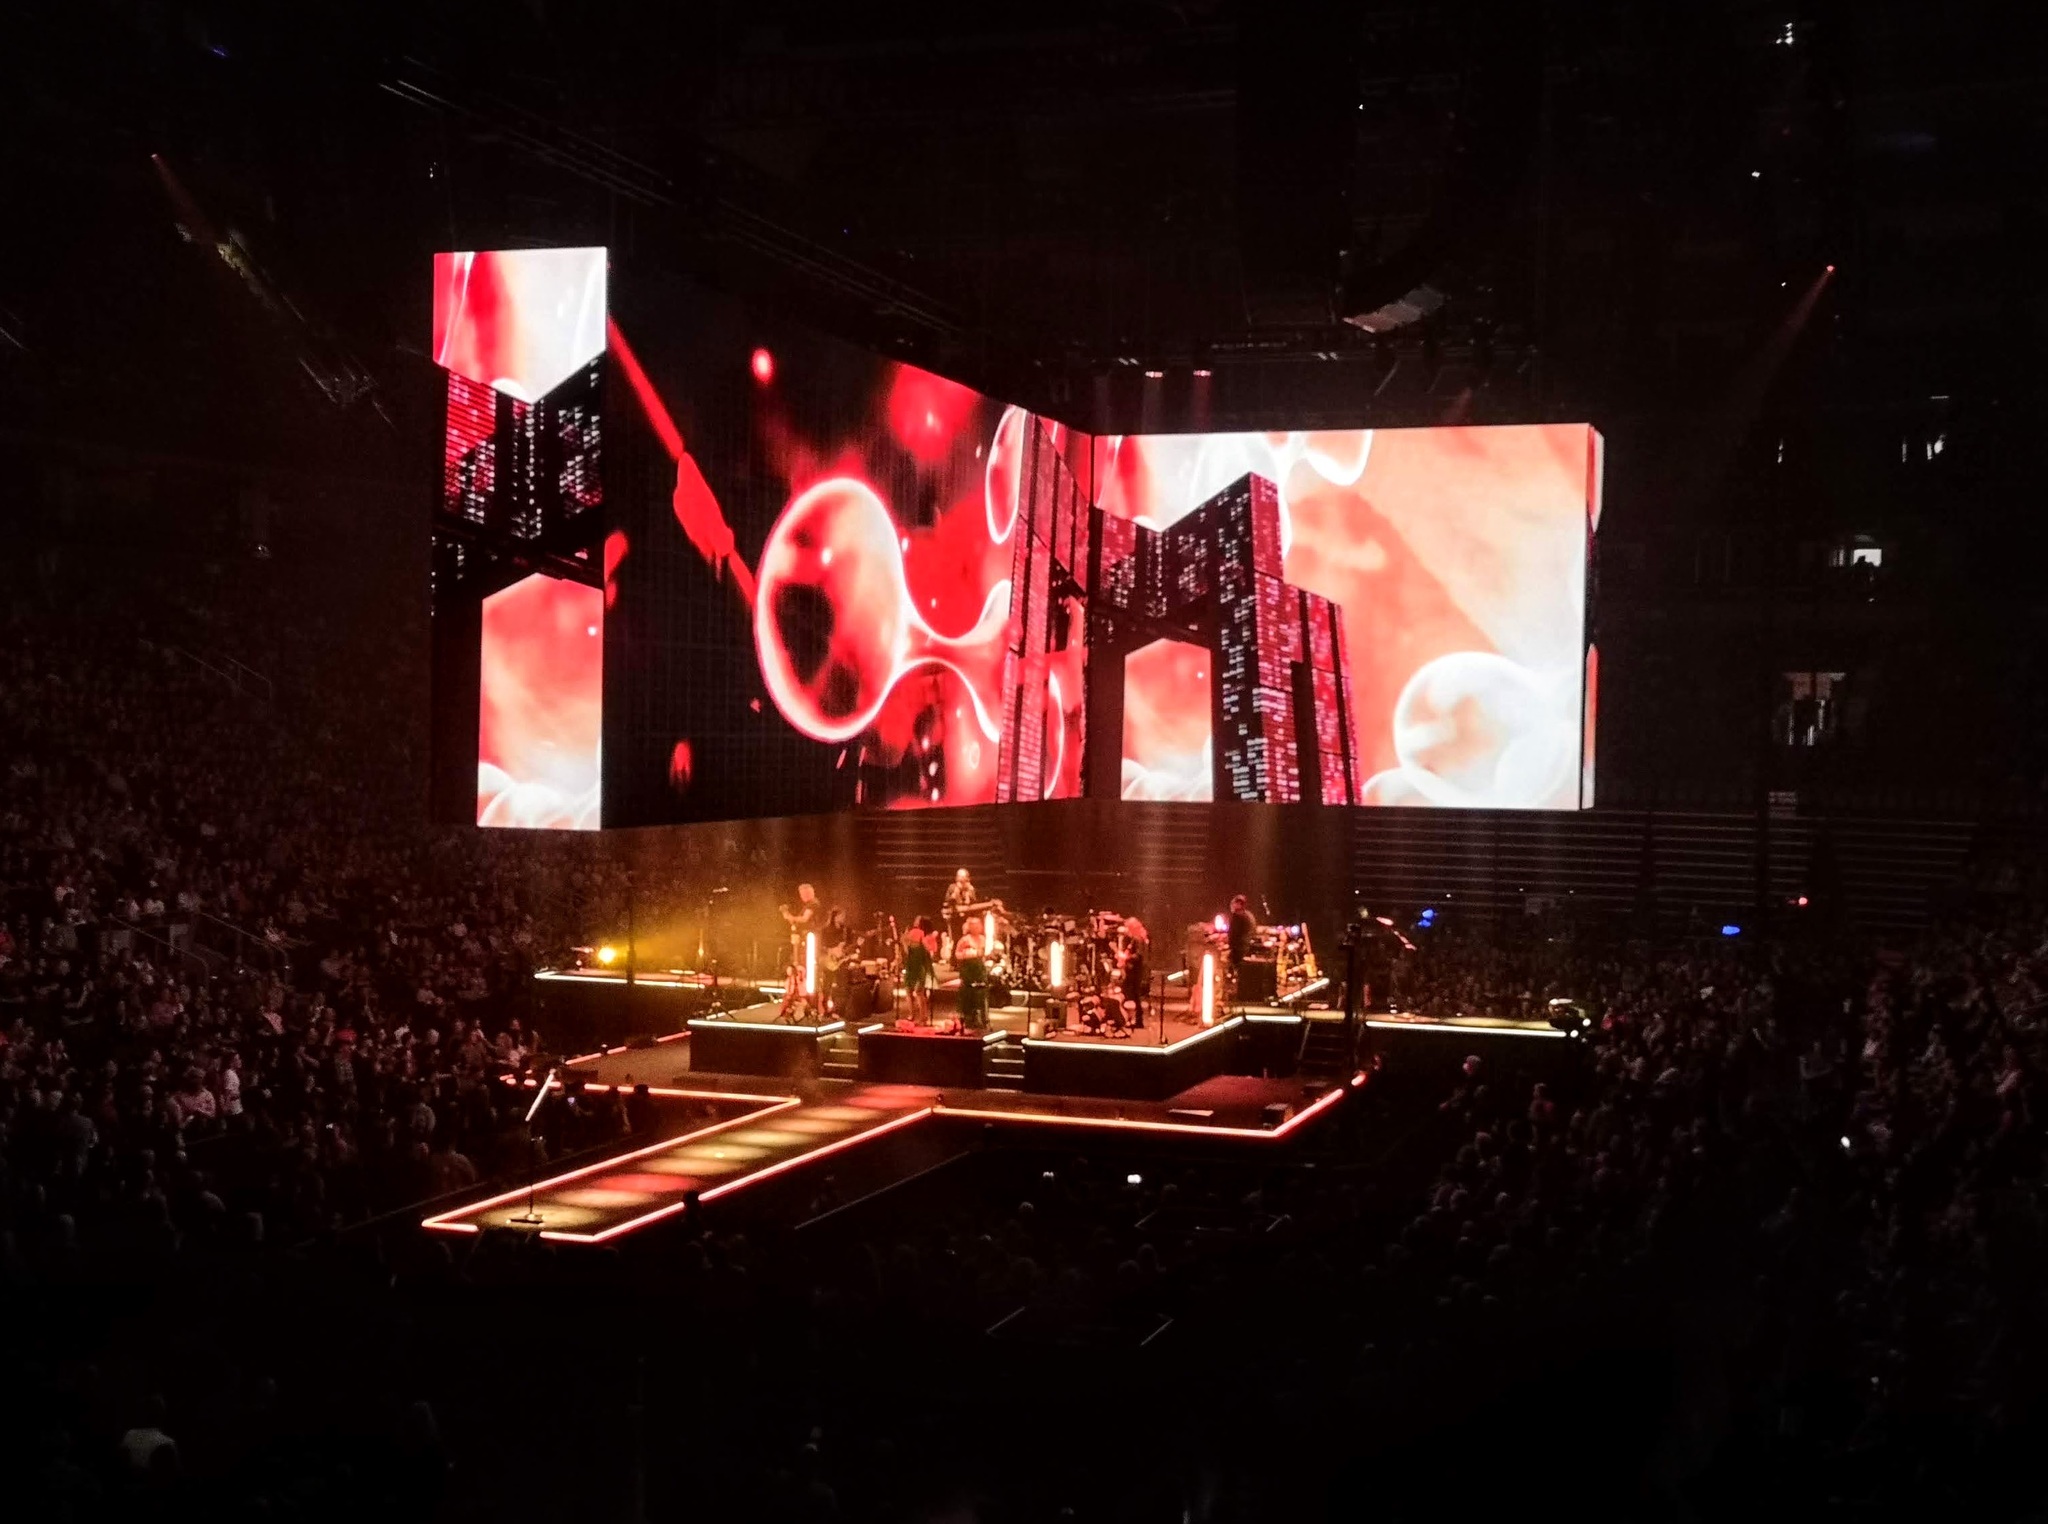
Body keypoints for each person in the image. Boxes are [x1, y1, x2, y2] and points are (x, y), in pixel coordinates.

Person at [953, 923, 989, 1031]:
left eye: (978, 926)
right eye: (975, 926)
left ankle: (982, 1018)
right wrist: (967, 954)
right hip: (968, 968)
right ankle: (969, 1017)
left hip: (979, 968)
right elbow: (957, 954)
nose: (977, 928)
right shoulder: (965, 940)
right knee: (968, 992)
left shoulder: (983, 939)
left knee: (980, 992)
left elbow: (986, 952)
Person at [901, 918, 936, 1026]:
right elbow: (907, 951)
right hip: (911, 965)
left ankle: (922, 1017)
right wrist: (904, 941)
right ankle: (912, 1015)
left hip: (920, 966)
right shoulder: (911, 934)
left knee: (918, 992)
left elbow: (931, 949)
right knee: (909, 990)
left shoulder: (923, 936)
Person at [941, 868, 978, 960]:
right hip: (955, 917)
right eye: (959, 876)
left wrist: (968, 894)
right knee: (956, 939)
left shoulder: (970, 888)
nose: (961, 878)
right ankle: (954, 961)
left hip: (967, 918)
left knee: (967, 938)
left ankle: (967, 959)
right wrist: (956, 893)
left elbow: (973, 902)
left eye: (963, 876)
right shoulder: (952, 887)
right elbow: (948, 900)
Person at [1226, 894, 1257, 996]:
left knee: (1234, 968)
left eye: (1233, 903)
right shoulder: (1249, 916)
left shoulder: (1238, 917)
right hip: (1245, 947)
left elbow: (1234, 934)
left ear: (1238, 904)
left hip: (1239, 948)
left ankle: (1234, 990)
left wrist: (1230, 946)